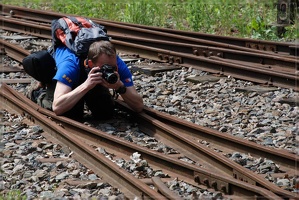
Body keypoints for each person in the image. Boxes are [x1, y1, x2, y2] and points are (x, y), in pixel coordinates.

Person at [28, 40, 144, 121]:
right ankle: (38, 93)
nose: (110, 70)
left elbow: (138, 106)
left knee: (105, 112)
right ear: (90, 64)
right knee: (72, 113)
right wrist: (86, 86)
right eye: (104, 68)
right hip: (68, 75)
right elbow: (57, 107)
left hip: (89, 77)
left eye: (112, 67)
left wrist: (120, 87)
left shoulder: (117, 64)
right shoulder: (69, 65)